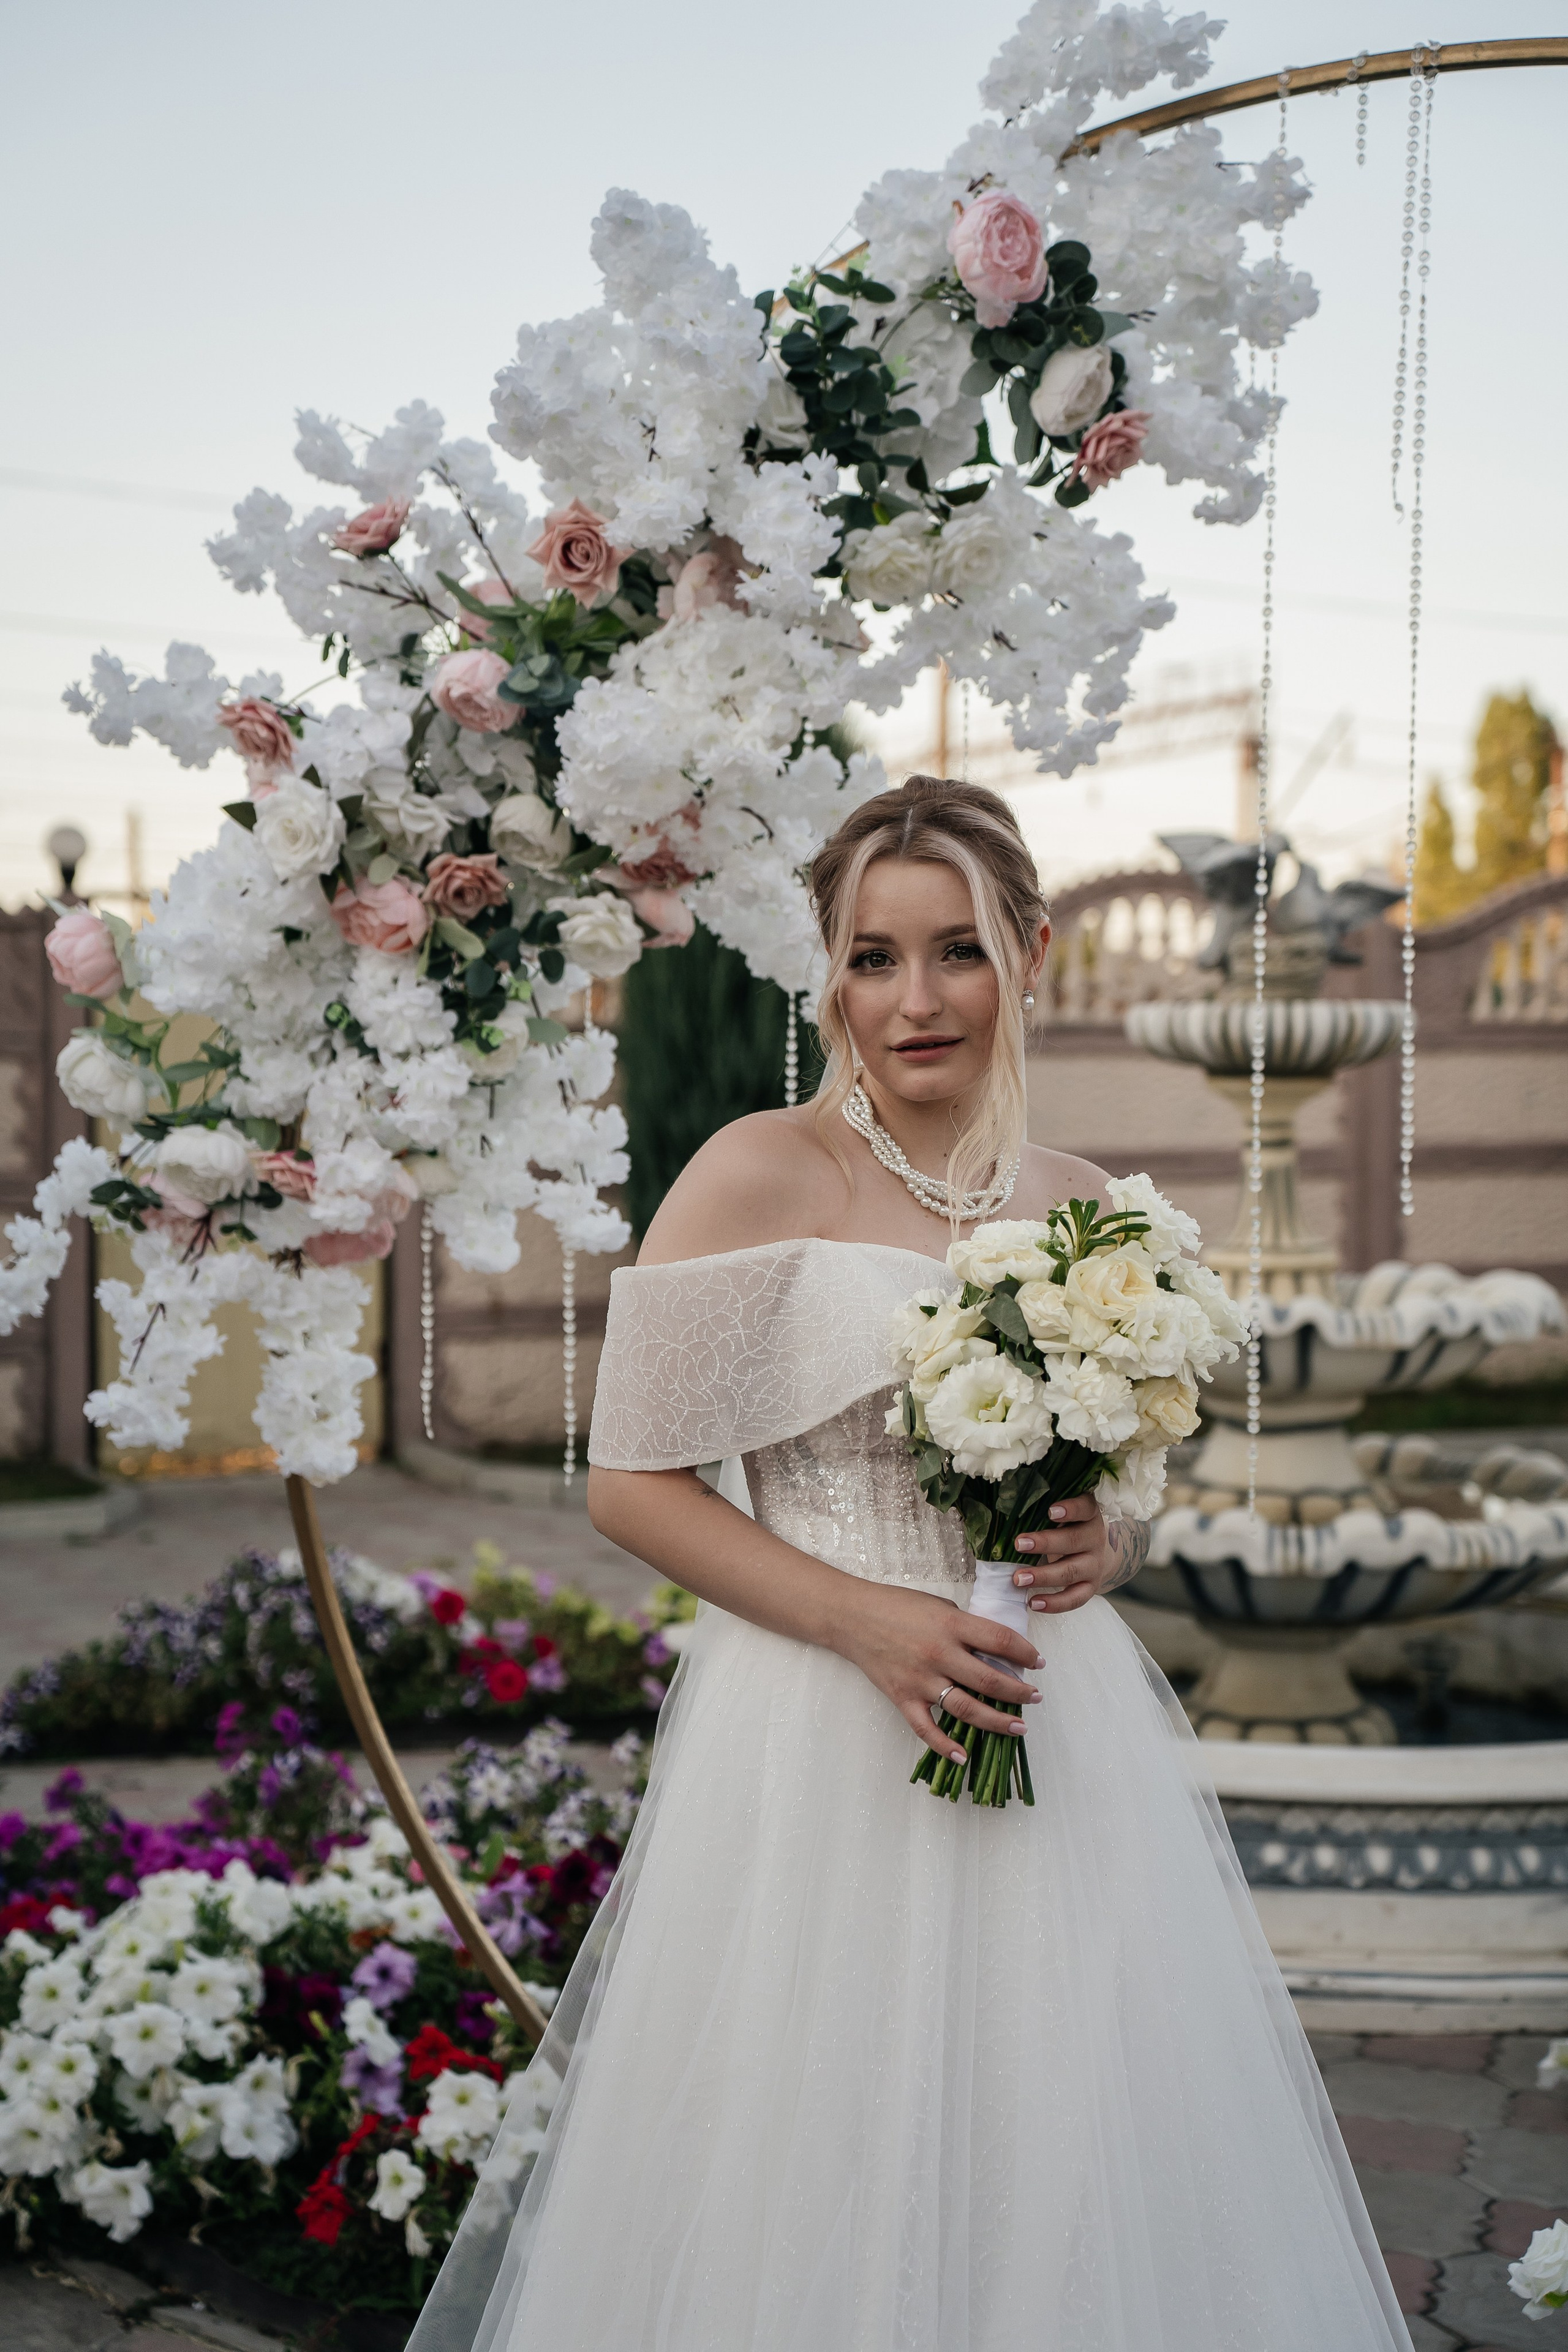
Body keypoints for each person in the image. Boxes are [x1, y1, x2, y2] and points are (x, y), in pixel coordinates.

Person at [409, 777, 1412, 2352]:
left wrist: (1105, 1538)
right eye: (872, 957)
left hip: (1044, 1719)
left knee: (1061, 2131)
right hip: (817, 1723)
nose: (916, 998)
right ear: (828, 973)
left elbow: (1115, 1472)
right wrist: (864, 1621)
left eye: (955, 950)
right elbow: (630, 1485)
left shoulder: (1082, 1210)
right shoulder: (756, 1172)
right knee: (818, 2142)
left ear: (1028, 949)